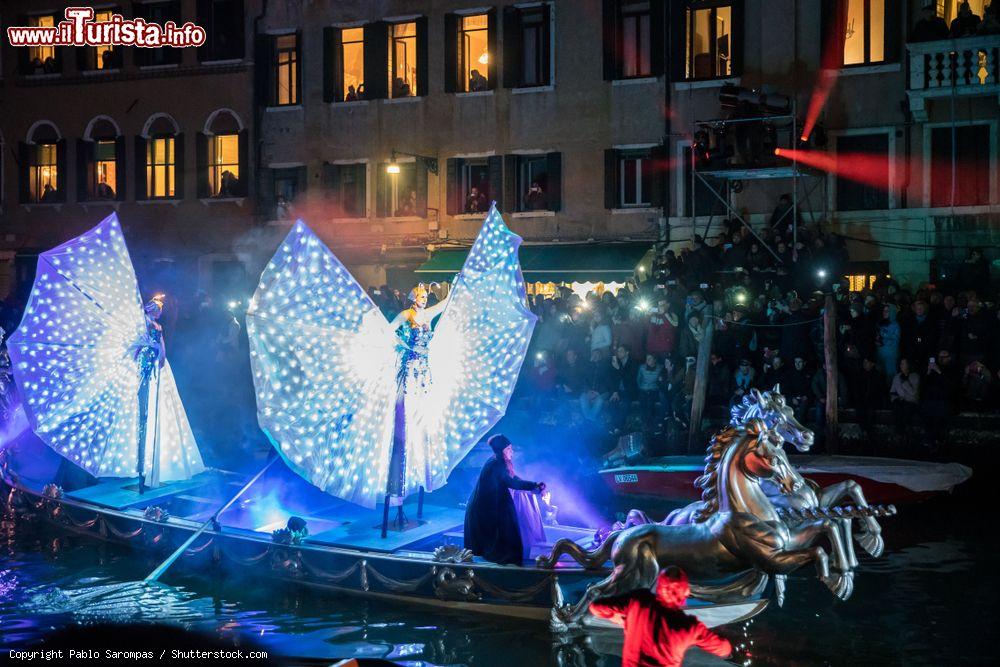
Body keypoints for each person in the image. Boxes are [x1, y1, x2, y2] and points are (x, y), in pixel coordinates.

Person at [385, 284, 451, 527]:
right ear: (413, 298)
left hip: (425, 371)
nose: (424, 299)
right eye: (420, 296)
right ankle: (397, 495)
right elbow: (389, 330)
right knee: (405, 425)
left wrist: (457, 283)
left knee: (425, 423)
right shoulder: (407, 315)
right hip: (410, 368)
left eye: (426, 296)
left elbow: (444, 305)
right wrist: (402, 344)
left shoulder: (427, 314)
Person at [589, 566, 732, 667]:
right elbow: (724, 649)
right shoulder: (689, 627)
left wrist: (622, 620)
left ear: (659, 587)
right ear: (685, 593)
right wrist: (721, 633)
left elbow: (595, 607)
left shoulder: (639, 600)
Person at [464, 434, 545, 565]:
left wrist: (534, 485)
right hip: (485, 510)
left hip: (489, 507)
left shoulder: (498, 461)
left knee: (505, 537)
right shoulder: (497, 464)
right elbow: (512, 482)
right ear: (502, 450)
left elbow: (513, 478)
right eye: (509, 449)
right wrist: (533, 486)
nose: (511, 452)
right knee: (503, 542)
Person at [135, 294, 167, 492]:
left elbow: (162, 342)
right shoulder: (143, 322)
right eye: (157, 310)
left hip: (155, 358)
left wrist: (162, 354)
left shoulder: (158, 326)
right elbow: (140, 341)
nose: (158, 313)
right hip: (146, 358)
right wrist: (149, 348)